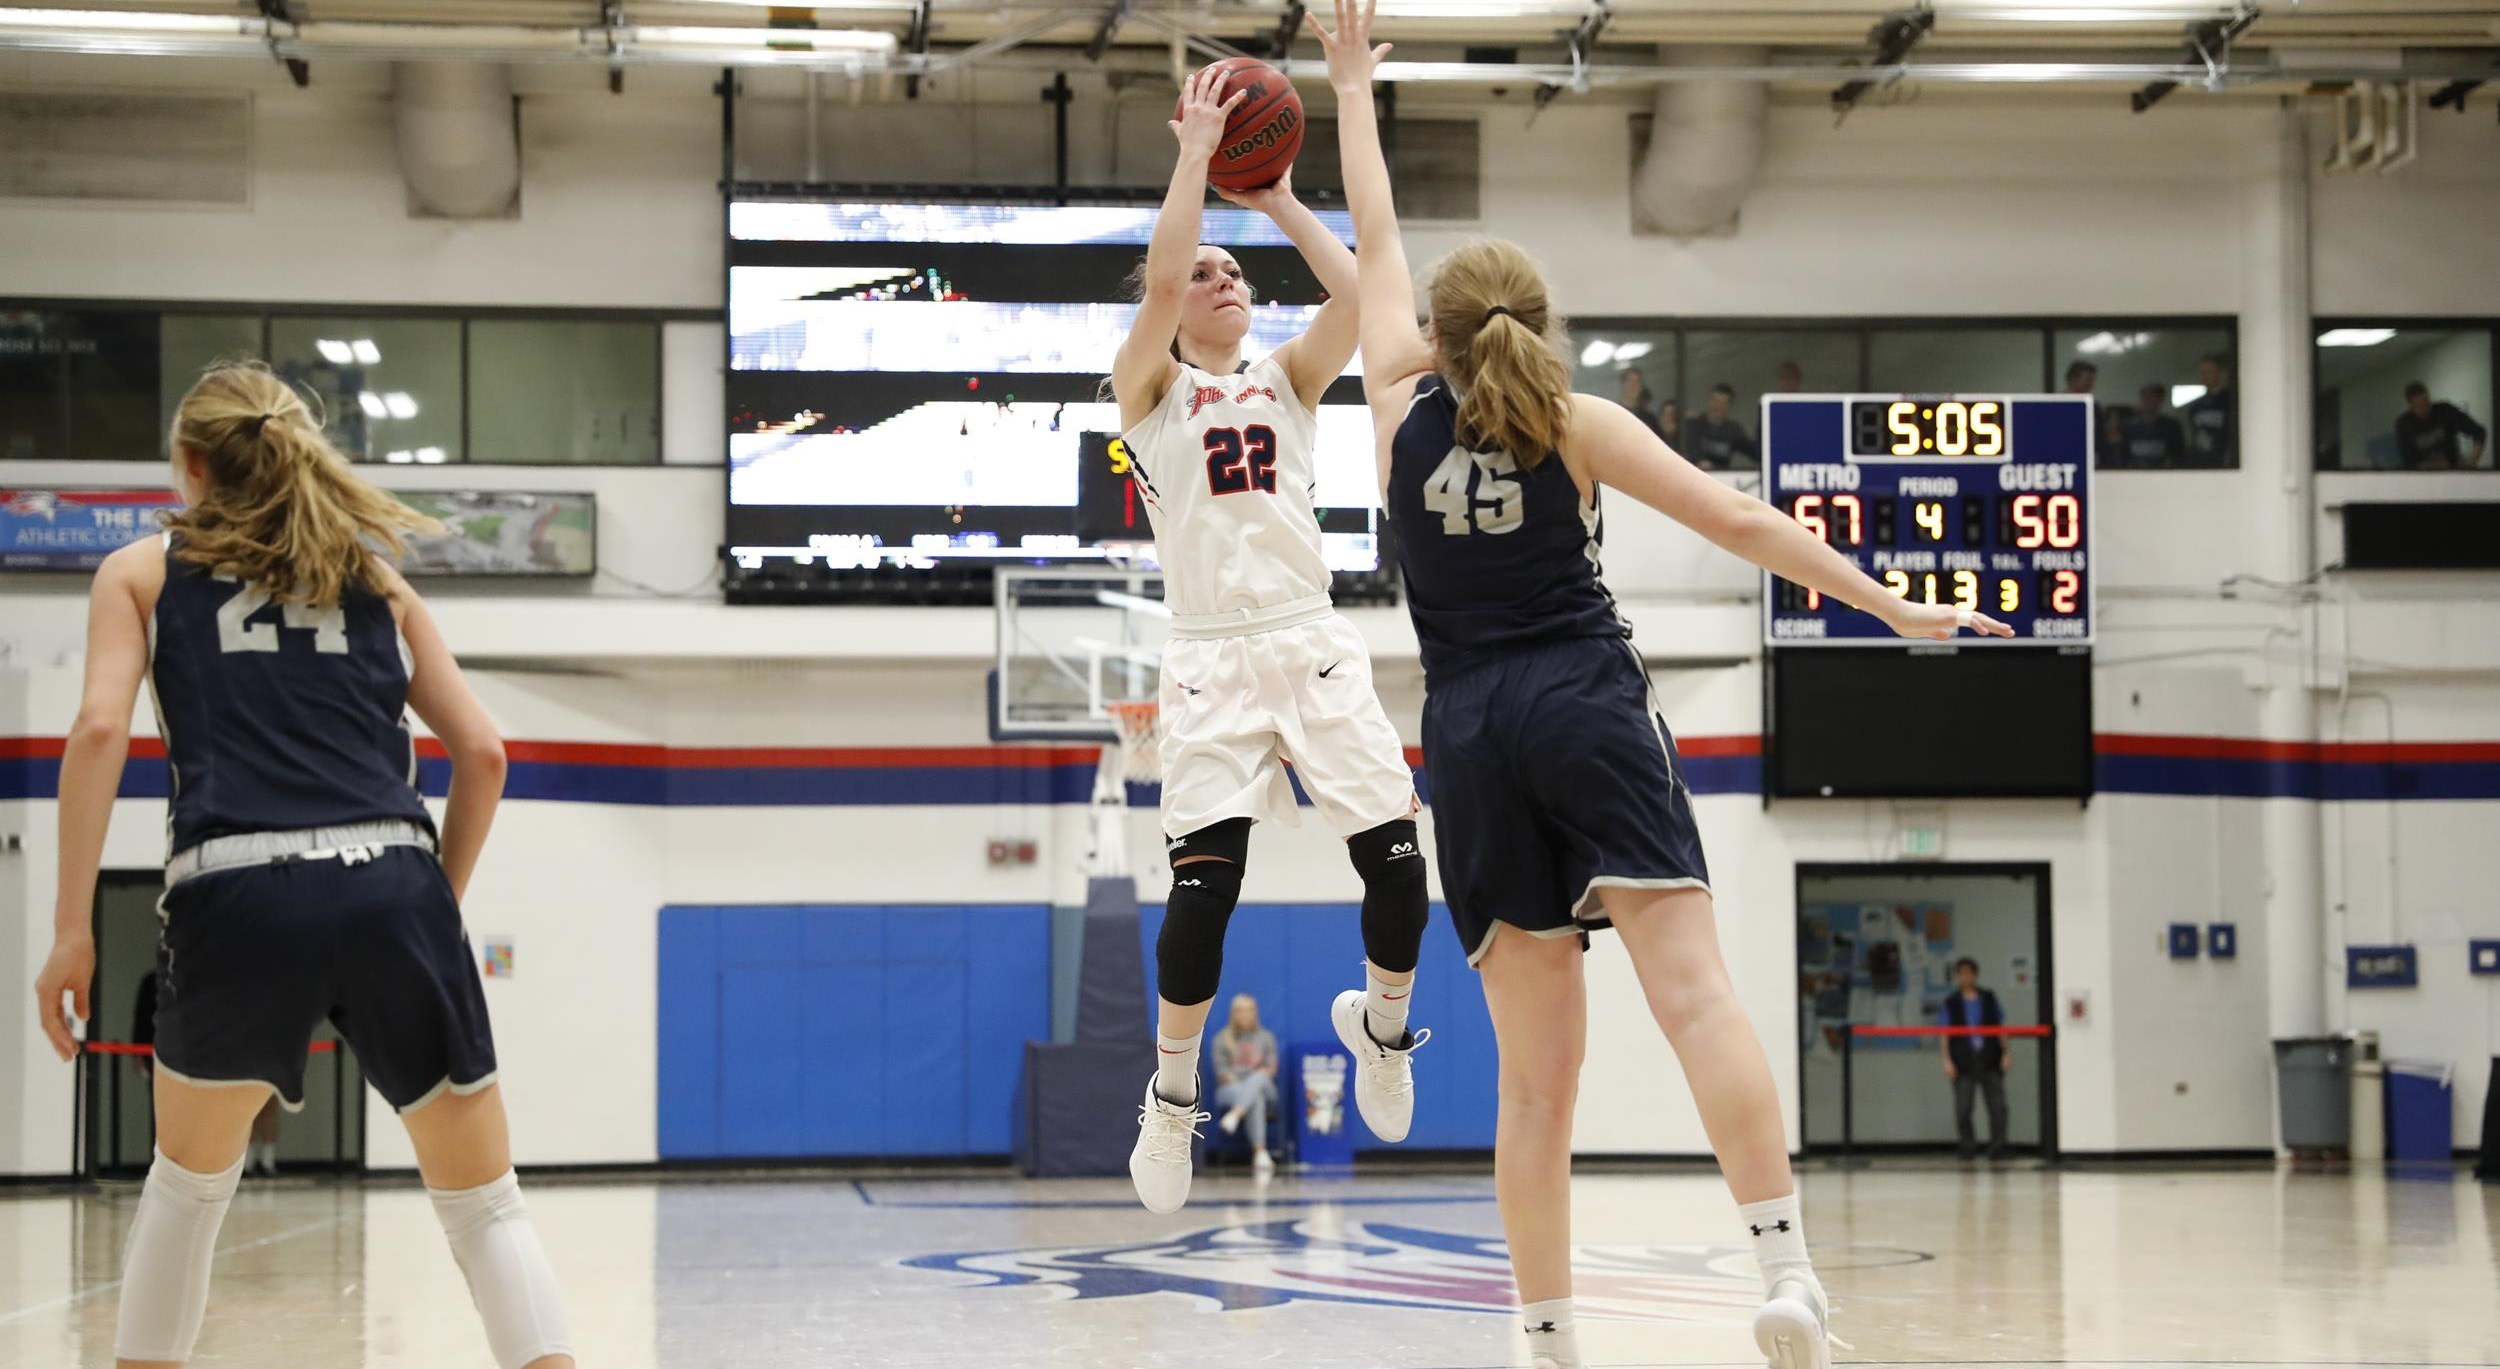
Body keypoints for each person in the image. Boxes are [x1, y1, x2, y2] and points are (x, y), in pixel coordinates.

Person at [1313, 5, 2013, 1366]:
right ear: (1536, 325)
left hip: (1461, 731)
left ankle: (1549, 1338)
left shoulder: (1395, 415)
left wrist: (1350, 91)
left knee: (1535, 1081)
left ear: (1440, 339)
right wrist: (1890, 603)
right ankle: (1788, 1274)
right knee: (1696, 1000)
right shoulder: (1580, 423)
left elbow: (1377, 234)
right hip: (1583, 701)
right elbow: (1747, 525)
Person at [31, 362, 576, 1369]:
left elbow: (101, 725)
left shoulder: (141, 571)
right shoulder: (377, 577)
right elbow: (484, 755)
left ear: (191, 465)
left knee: (187, 1193)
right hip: (394, 878)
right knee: (487, 1209)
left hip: (235, 885)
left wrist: (72, 929)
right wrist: (427, 907)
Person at [1111, 64, 1431, 1216]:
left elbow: (1365, 303)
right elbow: (1157, 278)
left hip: (1310, 637)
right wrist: (1195, 160)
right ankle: (1171, 1094)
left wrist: (1283, 205)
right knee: (1208, 891)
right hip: (1206, 652)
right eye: (1206, 272)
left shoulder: (1288, 381)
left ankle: (1383, 1030)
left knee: (1398, 859)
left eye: (1234, 271)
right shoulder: (1145, 391)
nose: (1222, 278)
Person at [1939, 957, 2012, 1162]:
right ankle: (1967, 1146)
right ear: (1956, 976)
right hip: (1963, 1058)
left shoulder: (1989, 998)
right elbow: (1944, 1033)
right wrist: (1946, 1060)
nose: (1965, 977)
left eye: (1969, 973)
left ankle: (1998, 1147)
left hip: (1990, 1056)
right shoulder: (1951, 1002)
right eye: (1961, 973)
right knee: (1963, 1107)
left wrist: (2006, 1053)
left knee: (1997, 1106)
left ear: (1976, 975)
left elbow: (2000, 1027)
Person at [1211, 993, 1282, 1175]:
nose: (1244, 1014)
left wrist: (1251, 1078)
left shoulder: (1266, 1038)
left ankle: (1236, 1114)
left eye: (1249, 1010)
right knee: (1254, 1096)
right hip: (1231, 1090)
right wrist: (1249, 1079)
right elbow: (1223, 1074)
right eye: (1240, 1010)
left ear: (1255, 1012)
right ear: (1233, 1013)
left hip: (1266, 1088)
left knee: (1259, 1080)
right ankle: (1260, 1152)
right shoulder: (1222, 1039)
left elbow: (1269, 1071)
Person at [2394, 381, 2489, 469]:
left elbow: (2479, 432)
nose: (2424, 408)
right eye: (2419, 405)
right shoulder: (2404, 425)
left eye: (2426, 403)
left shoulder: (2444, 411)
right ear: (2411, 406)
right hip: (2425, 477)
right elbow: (2408, 462)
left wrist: (2471, 464)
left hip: (2454, 469)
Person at [1678, 382, 1757, 470]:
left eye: (1723, 403)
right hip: (1693, 474)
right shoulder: (1694, 424)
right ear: (1709, 400)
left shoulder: (1733, 430)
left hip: (1721, 478)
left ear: (1729, 405)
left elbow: (1754, 452)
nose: (1717, 406)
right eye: (1715, 401)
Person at [2181, 354, 2234, 467]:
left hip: (2223, 462)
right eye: (2203, 372)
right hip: (2199, 461)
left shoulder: (2230, 402)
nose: (2205, 376)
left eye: (2209, 371)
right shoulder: (2195, 407)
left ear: (2220, 373)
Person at [2115, 384, 2186, 468]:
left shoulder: (2171, 426)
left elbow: (2178, 455)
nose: (2147, 402)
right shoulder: (2129, 426)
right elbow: (2123, 454)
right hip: (2134, 473)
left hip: (2162, 473)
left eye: (2151, 399)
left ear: (2159, 400)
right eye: (2144, 398)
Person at [1617, 366, 1664, 438]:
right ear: (1623, 384)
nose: (1633, 385)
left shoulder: (1649, 418)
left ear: (1641, 387)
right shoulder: (1614, 412)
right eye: (1629, 380)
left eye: (1637, 381)